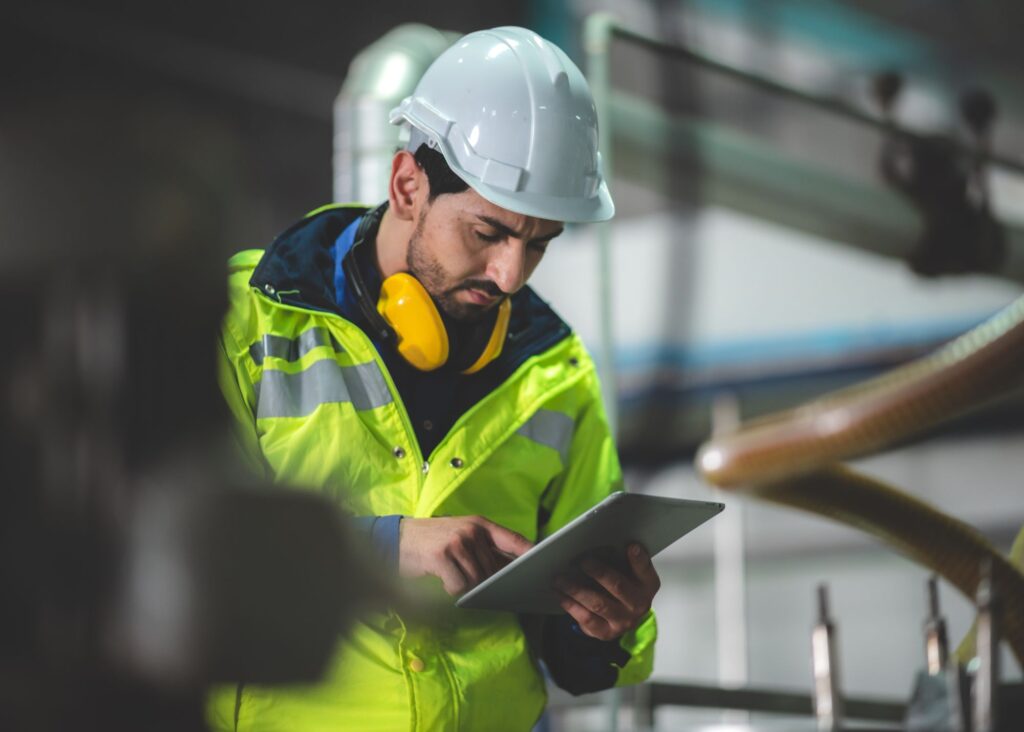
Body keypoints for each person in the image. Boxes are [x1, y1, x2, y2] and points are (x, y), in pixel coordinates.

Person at [208, 26, 659, 732]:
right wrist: (388, 548)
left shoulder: (554, 373)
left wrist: (605, 624)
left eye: (538, 244)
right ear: (407, 185)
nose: (511, 274)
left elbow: (575, 663)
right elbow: (188, 562)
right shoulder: (248, 325)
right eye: (487, 233)